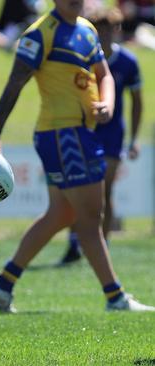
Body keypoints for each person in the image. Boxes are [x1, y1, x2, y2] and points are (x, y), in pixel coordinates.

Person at [0, 0, 153, 313]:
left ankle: (3, 283)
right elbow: (15, 82)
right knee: (90, 219)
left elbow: (105, 75)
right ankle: (115, 297)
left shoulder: (86, 28)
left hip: (77, 133)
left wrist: (107, 103)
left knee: (63, 214)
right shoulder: (40, 33)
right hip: (63, 134)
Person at [59, 7, 143, 264]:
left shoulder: (128, 62)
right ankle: (75, 245)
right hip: (82, 130)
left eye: (110, 30)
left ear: (117, 31)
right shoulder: (82, 59)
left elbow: (137, 102)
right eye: (100, 31)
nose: (105, 36)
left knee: (103, 193)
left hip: (112, 135)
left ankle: (101, 248)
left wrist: (134, 139)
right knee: (75, 192)